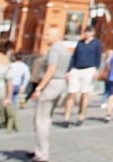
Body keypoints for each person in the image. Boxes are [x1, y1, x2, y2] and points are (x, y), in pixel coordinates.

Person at [30, 27, 69, 162]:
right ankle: (39, 149)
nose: (44, 37)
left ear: (56, 36)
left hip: (51, 84)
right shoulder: (64, 49)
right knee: (46, 118)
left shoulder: (54, 49)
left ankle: (41, 153)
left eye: (47, 35)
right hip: (60, 83)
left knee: (41, 120)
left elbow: (51, 69)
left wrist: (39, 88)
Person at [63, 26, 102, 126]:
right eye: (86, 32)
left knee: (85, 94)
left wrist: (96, 69)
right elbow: (74, 57)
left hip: (89, 69)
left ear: (93, 33)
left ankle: (81, 116)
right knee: (72, 93)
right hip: (76, 69)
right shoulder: (80, 43)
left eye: (89, 32)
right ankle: (66, 117)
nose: (87, 34)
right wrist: (68, 70)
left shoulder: (96, 43)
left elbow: (98, 57)